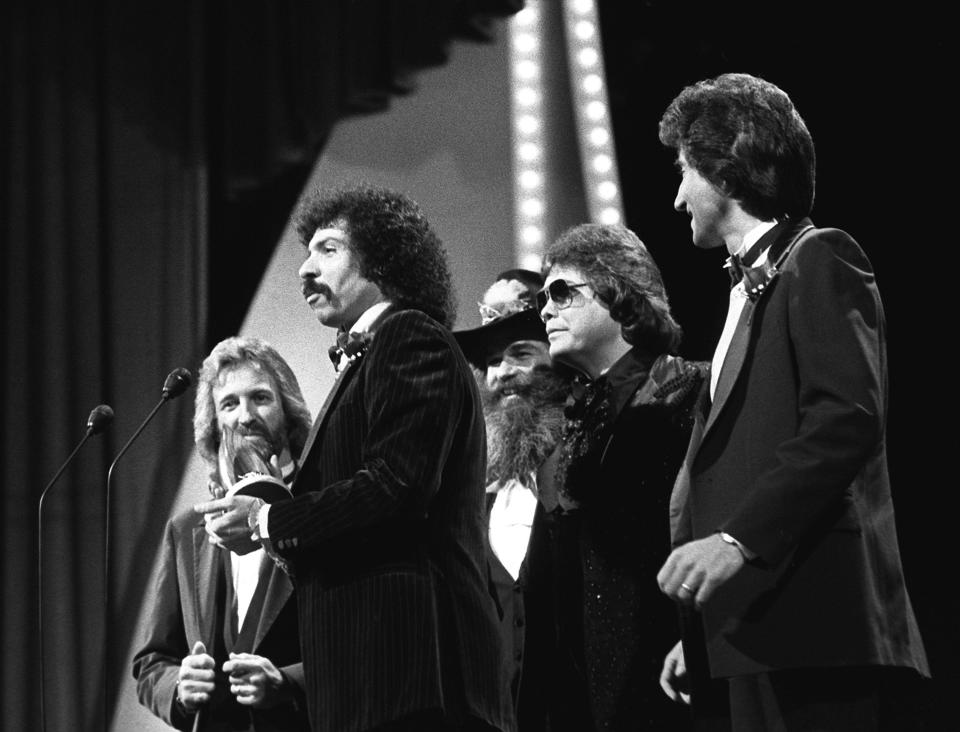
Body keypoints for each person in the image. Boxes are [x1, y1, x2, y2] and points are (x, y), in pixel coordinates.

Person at [657, 72, 930, 730]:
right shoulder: (744, 288)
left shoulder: (822, 256)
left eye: (684, 171)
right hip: (764, 629)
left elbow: (846, 421)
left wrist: (734, 541)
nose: (675, 199)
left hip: (821, 628)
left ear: (726, 169)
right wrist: (710, 632)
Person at [195, 184, 514, 732]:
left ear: (382, 260)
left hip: (415, 681)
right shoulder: (370, 356)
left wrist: (268, 519)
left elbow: (397, 485)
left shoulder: (410, 337)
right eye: (306, 252)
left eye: (329, 249)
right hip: (370, 686)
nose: (305, 270)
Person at [519, 223, 707, 731]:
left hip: (674, 677)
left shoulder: (692, 391)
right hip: (586, 692)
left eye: (562, 292)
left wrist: (701, 636)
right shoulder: (571, 424)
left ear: (620, 292)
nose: (545, 309)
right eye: (542, 297)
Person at [132, 336, 313, 731]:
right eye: (229, 403)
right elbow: (151, 662)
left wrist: (290, 683)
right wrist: (179, 685)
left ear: (289, 411)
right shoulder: (185, 531)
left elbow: (366, 646)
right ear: (213, 424)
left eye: (260, 398)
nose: (244, 416)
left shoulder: (321, 511)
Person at [454, 269, 569, 715]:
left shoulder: (591, 469)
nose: (502, 374)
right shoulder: (471, 500)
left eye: (520, 353)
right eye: (490, 363)